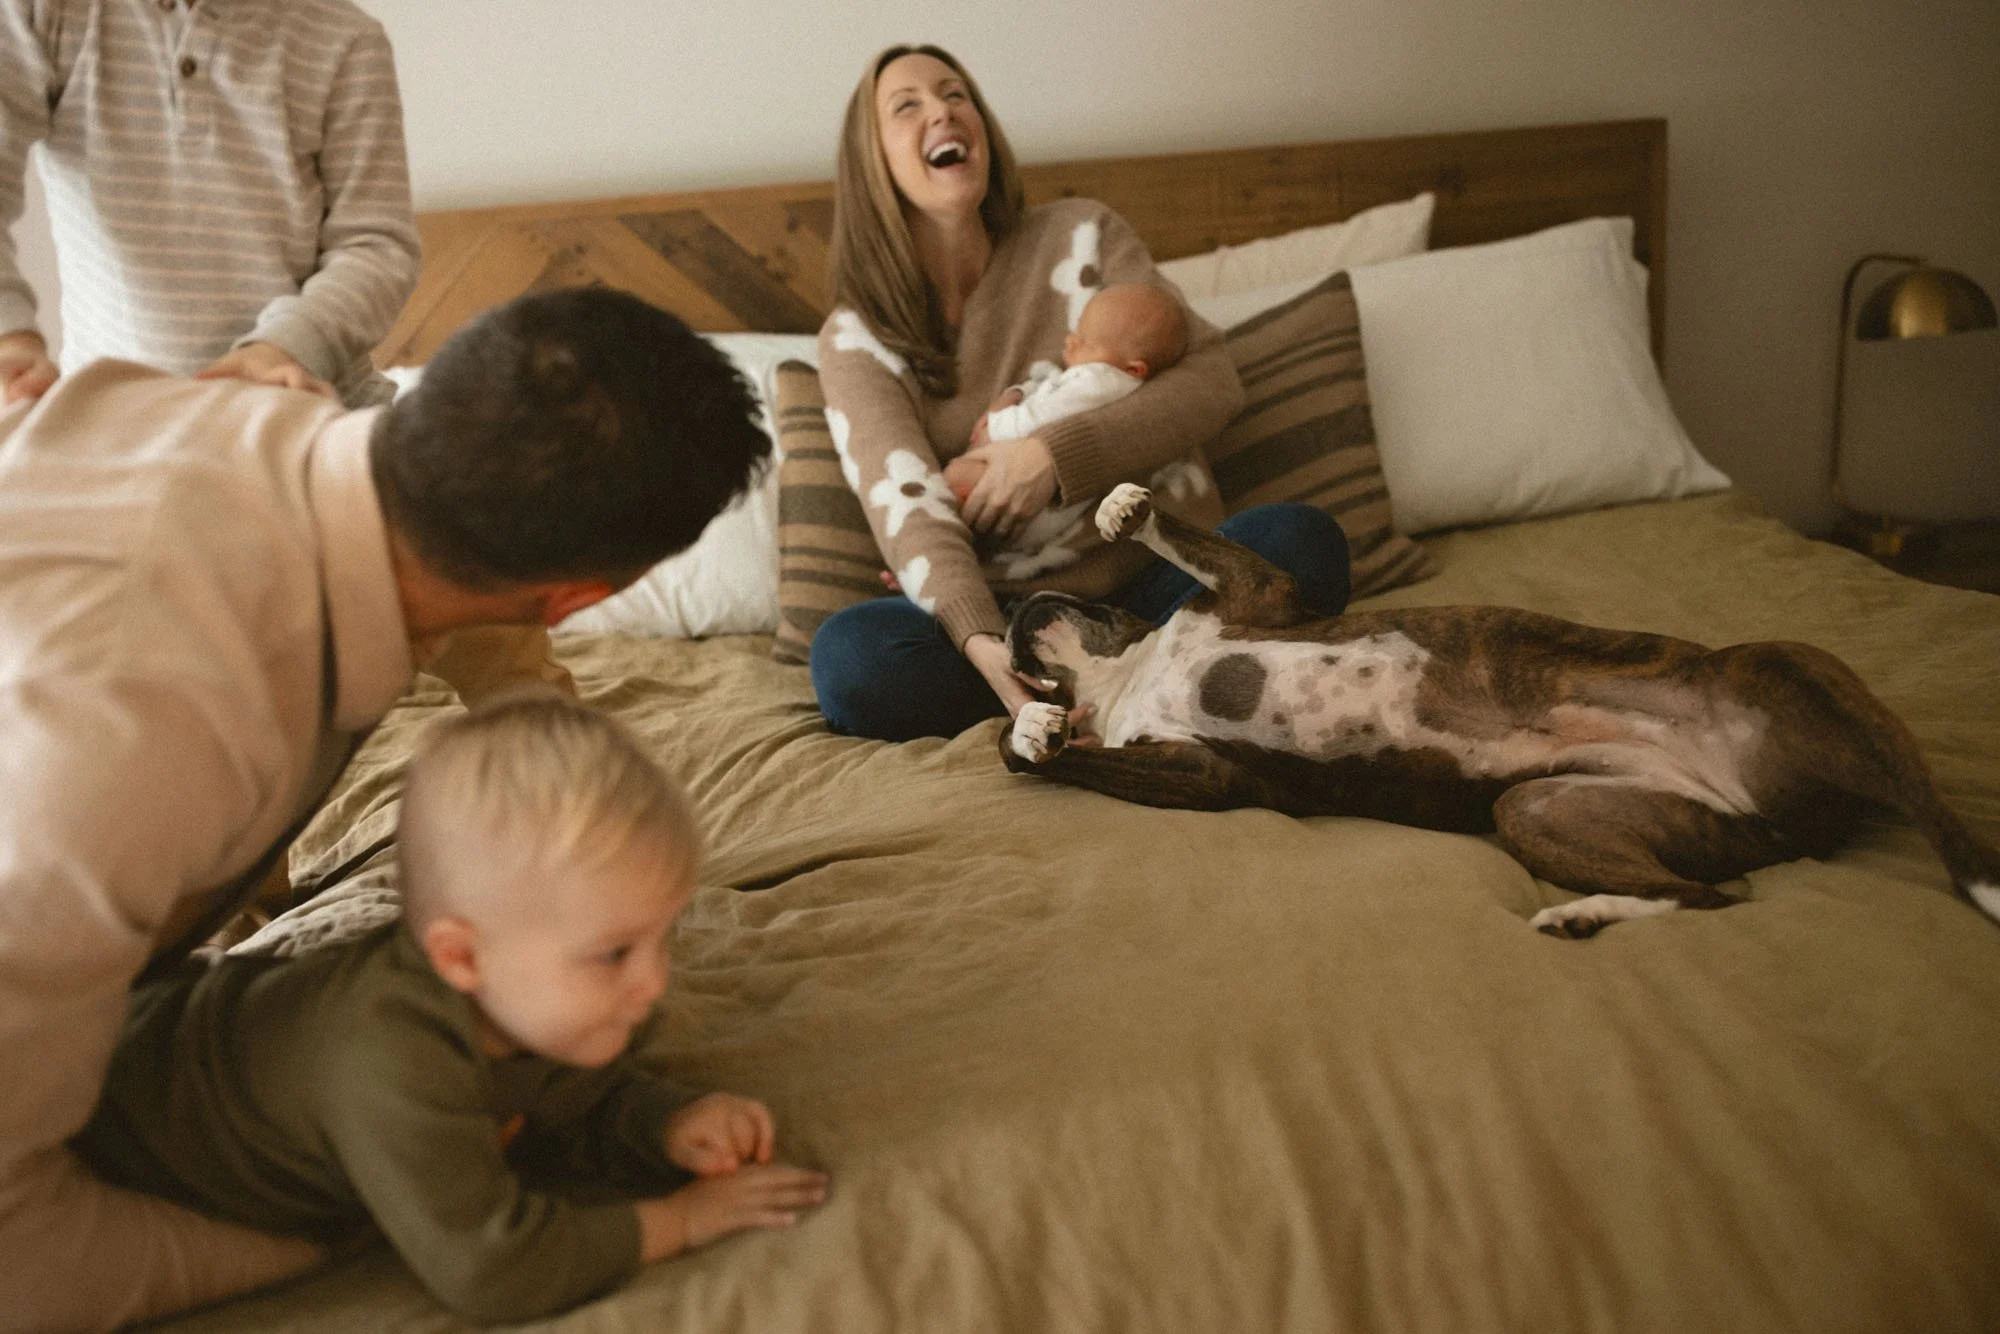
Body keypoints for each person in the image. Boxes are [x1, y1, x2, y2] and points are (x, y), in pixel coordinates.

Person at [0, 285, 771, 1330]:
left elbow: (489, 633)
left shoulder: (302, 434)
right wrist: (332, 1239)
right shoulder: (123, 761)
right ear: (580, 599)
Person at [71, 692, 830, 1324]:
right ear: (461, 957)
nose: (653, 983)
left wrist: (664, 1122)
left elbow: (556, 1099)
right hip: (103, 1094)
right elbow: (494, 1270)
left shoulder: (534, 1002)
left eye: (663, 938)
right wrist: (683, 1221)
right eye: (615, 953)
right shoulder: (389, 1062)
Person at [811, 44, 1351, 742]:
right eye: (906, 105)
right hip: (1012, 621)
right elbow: (905, 505)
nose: (941, 111)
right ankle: (1116, 695)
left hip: (1162, 582)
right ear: (871, 160)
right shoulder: (856, 336)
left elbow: (1212, 381)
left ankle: (1130, 690)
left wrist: (1052, 457)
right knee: (852, 659)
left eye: (955, 94)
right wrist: (986, 653)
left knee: (1301, 543)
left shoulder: (1081, 235)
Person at [943, 282, 1189, 566]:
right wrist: (1016, 394)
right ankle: (949, 556)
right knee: (954, 495)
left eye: (1087, 342)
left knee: (952, 480)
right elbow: (1046, 389)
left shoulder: (1102, 382)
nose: (1071, 341)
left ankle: (942, 558)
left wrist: (994, 427)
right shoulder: (1096, 378)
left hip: (1031, 506)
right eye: (1076, 331)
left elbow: (1039, 418)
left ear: (1134, 368)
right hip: (1030, 502)